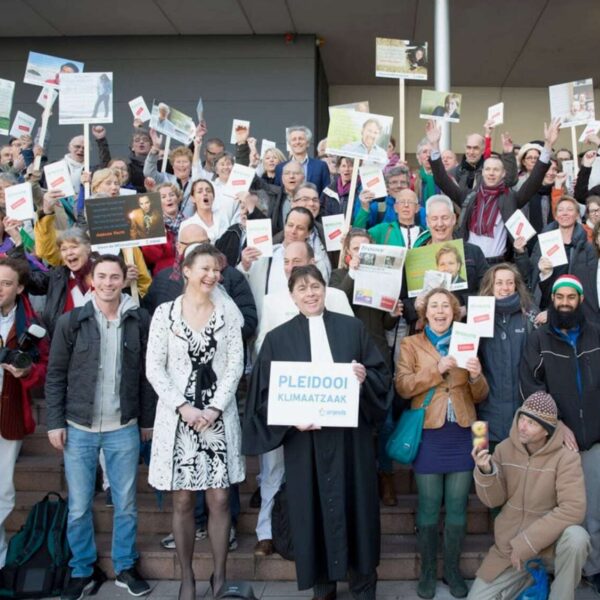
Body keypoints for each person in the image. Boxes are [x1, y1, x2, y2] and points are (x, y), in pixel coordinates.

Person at [243, 264, 391, 600]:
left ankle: (363, 586)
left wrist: (365, 377)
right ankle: (323, 588)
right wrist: (289, 418)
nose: (310, 293)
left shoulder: (352, 329)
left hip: (350, 443)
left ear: (325, 290)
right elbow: (264, 397)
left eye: (316, 287)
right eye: (302, 289)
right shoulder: (277, 340)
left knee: (358, 511)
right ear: (292, 296)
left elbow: (381, 377)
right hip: (304, 444)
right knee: (313, 512)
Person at [45, 254, 155, 599]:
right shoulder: (71, 321)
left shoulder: (140, 320)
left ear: (124, 280)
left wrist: (147, 421)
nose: (108, 283)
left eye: (114, 277)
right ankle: (82, 569)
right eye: (102, 277)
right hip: (79, 426)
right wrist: (54, 422)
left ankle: (124, 565)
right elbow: (55, 376)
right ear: (92, 280)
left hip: (124, 425)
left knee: (125, 503)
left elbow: (148, 377)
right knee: (78, 506)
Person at [146, 243, 245, 599]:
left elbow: (235, 364)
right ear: (186, 270)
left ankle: (219, 577)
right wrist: (183, 407)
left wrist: (215, 407)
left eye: (216, 270)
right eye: (204, 268)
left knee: (219, 500)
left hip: (217, 418)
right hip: (179, 420)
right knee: (184, 501)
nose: (211, 276)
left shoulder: (228, 314)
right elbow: (154, 368)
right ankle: (187, 578)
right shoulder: (164, 314)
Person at [251, 242, 353, 557]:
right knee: (274, 467)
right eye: (286, 261)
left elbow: (350, 340)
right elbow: (262, 346)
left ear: (313, 262)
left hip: (329, 403)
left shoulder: (334, 296)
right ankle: (266, 531)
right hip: (290, 400)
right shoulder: (271, 300)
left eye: (298, 260)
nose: (291, 265)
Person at [395, 288, 488, 599]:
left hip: (463, 432)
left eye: (445, 306)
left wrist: (475, 376)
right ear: (425, 313)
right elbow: (403, 387)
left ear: (455, 312)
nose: (439, 311)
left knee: (459, 506)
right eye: (433, 305)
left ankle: (451, 569)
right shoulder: (411, 344)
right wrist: (437, 370)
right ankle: (427, 572)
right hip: (429, 433)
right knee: (429, 507)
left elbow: (481, 395)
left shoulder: (468, 340)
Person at [520, 274, 600, 594]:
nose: (564, 303)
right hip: (557, 441)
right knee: (557, 509)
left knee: (593, 509)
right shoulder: (538, 339)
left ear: (580, 300)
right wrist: (557, 425)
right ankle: (559, 566)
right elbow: (531, 387)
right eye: (559, 297)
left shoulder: (597, 334)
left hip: (594, 438)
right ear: (552, 300)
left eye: (571, 297)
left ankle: (592, 570)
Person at [468, 392, 590, 600]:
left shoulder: (566, 458)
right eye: (521, 419)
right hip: (510, 550)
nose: (522, 426)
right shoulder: (505, 449)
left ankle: (559, 594)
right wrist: (486, 471)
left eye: (531, 423)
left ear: (546, 431)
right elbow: (492, 500)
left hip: (549, 548)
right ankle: (530, 579)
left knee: (577, 538)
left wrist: (528, 542)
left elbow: (573, 509)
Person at [426, 119, 559, 262]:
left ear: (503, 174)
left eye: (496, 170)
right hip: (469, 261)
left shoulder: (510, 198)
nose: (491, 173)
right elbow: (441, 180)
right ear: (482, 173)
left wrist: (548, 145)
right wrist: (434, 146)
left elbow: (533, 182)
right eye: (487, 169)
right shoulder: (468, 196)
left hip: (498, 263)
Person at [0, 257, 49, 571]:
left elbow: (44, 369)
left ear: (19, 288)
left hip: (9, 411)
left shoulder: (30, 325)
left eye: (6, 283)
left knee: (3, 489)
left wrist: (27, 372)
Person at [476, 263, 537, 446]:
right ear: (490, 286)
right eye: (499, 283)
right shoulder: (477, 314)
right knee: (483, 466)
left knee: (522, 473)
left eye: (510, 283)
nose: (505, 288)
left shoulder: (529, 314)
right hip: (482, 416)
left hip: (524, 418)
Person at [357, 188, 422, 247]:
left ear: (417, 208)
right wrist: (364, 208)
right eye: (402, 202)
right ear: (395, 208)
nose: (406, 205)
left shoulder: (424, 234)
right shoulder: (383, 230)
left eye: (410, 202)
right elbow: (357, 235)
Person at [274, 126, 330, 194]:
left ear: (308, 143)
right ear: (289, 144)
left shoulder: (320, 166)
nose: (297, 142)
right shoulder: (280, 168)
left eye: (301, 139)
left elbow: (326, 194)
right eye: (294, 139)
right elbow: (277, 193)